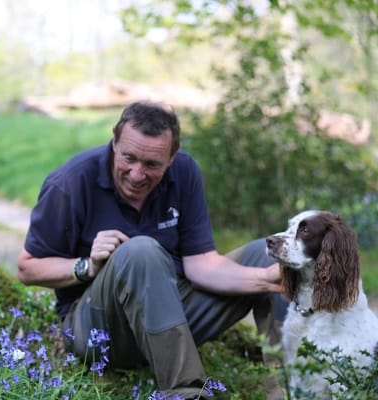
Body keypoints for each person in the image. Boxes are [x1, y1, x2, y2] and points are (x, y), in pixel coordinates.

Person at [17, 101, 287, 399]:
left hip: (170, 317)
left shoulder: (184, 173)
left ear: (172, 158)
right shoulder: (70, 182)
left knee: (273, 255)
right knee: (141, 251)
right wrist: (86, 266)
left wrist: (266, 279)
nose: (136, 174)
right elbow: (27, 268)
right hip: (101, 332)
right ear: (114, 141)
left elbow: (201, 264)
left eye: (152, 165)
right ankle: (185, 392)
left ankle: (289, 388)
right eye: (129, 158)